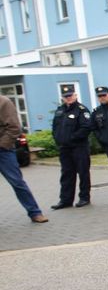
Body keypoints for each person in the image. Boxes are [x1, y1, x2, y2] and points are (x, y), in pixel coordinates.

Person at [0, 94, 48, 223]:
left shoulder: (3, 102)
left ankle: (35, 212)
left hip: (3, 151)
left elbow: (14, 128)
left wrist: (2, 145)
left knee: (17, 182)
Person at [50, 85, 93, 209]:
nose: (68, 98)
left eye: (70, 95)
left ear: (75, 95)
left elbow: (86, 128)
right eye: (65, 96)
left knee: (83, 173)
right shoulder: (60, 111)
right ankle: (65, 200)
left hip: (79, 147)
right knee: (66, 174)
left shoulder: (81, 110)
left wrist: (72, 138)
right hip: (64, 148)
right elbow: (55, 127)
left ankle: (84, 198)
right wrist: (58, 139)